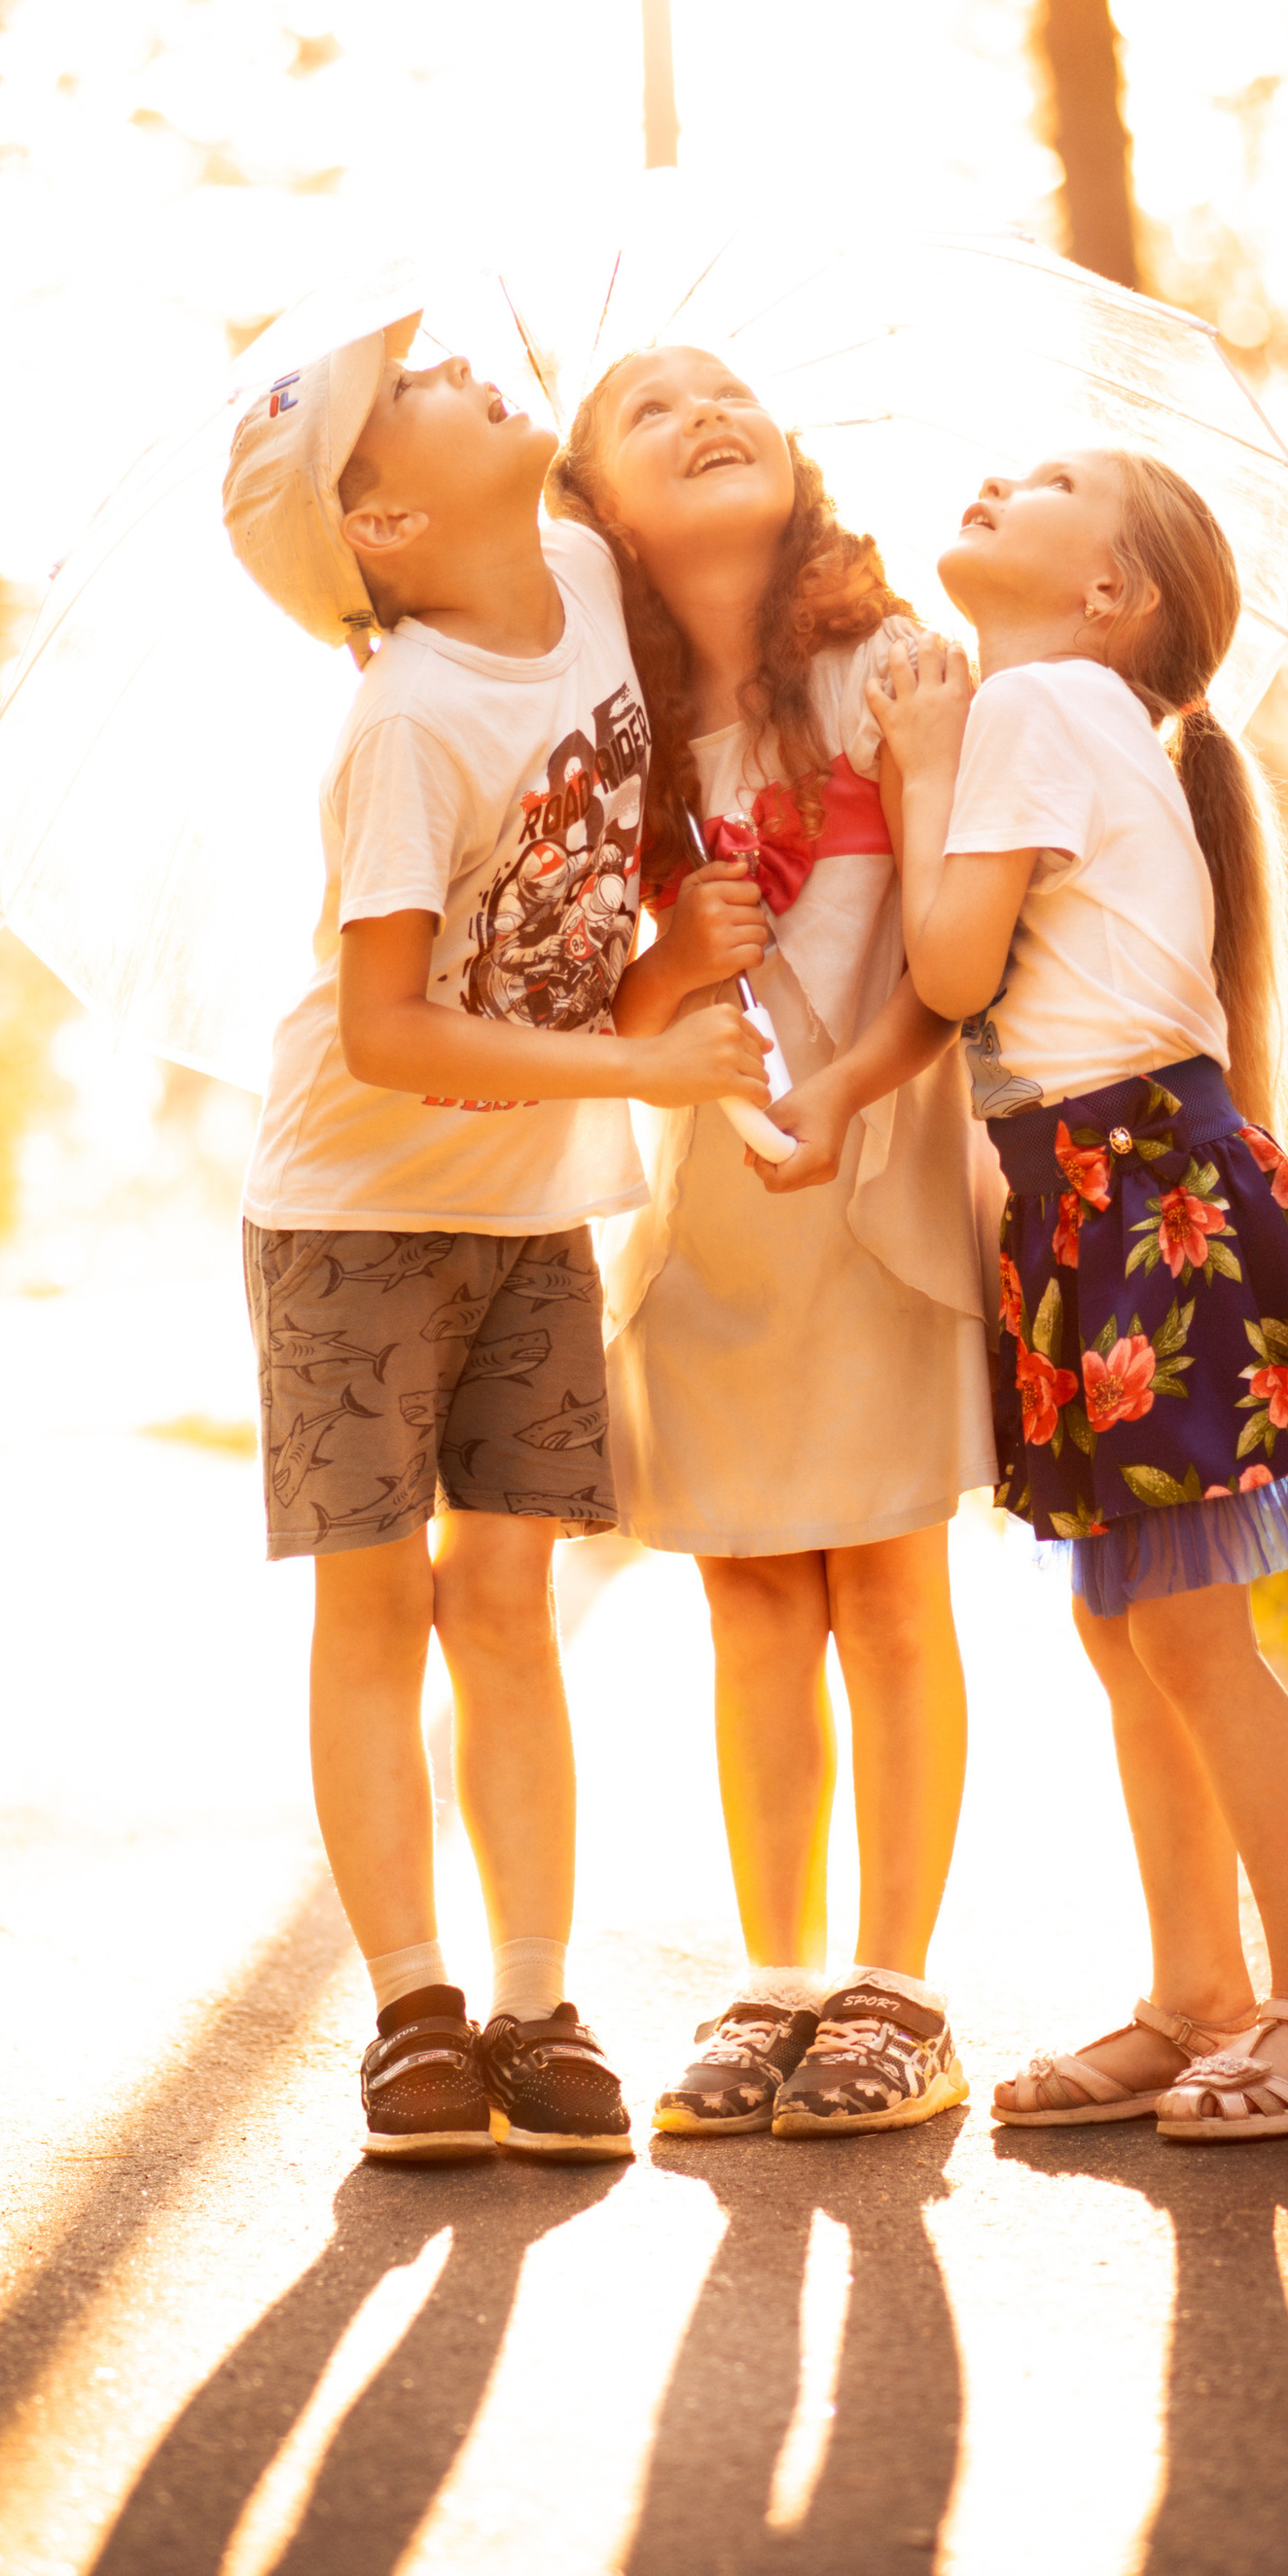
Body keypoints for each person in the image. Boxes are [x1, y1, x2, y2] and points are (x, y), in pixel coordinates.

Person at [224, 319, 770, 2167]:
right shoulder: (404, 721)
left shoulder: (600, 576)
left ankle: (538, 2004)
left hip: (533, 1204)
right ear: (379, 516)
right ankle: (411, 2011)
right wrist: (636, 1046)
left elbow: (551, 947)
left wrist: (670, 961)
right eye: (421, 388)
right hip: (357, 1211)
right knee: (380, 1606)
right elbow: (391, 1027)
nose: (462, 363)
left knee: (511, 1606)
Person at [872, 446, 1288, 2143]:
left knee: (1184, 1631)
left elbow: (953, 969)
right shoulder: (1070, 713)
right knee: (1129, 1627)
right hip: (1099, 1196)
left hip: (1136, 1198)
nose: (994, 479)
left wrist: (915, 768)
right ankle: (1201, 1994)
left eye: (1038, 480)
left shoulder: (1039, 708)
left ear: (1109, 595)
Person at [553, 349, 994, 2142]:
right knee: (749, 1593)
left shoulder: (886, 674)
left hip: (872, 1181)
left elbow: (959, 957)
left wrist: (933, 750)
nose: (703, 412)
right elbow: (596, 1007)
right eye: (649, 414)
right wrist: (677, 956)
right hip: (709, 1208)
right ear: (597, 512)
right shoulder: (611, 746)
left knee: (887, 1581)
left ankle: (896, 1983)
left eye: (724, 391)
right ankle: (780, 1973)